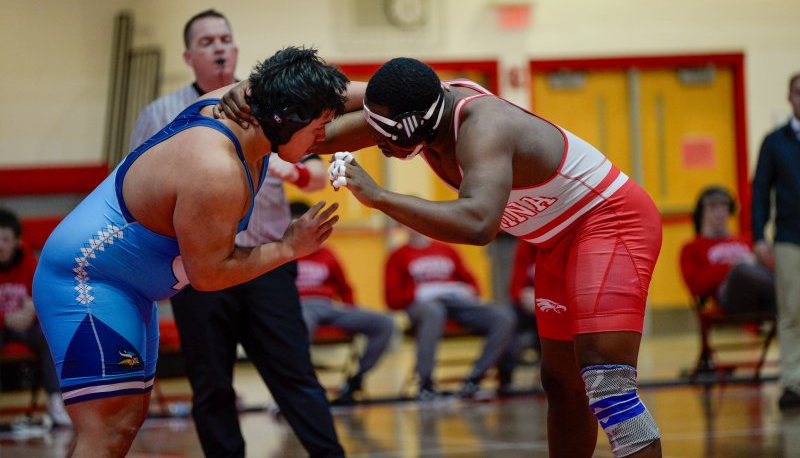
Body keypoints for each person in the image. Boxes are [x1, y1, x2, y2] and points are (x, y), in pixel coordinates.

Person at [218, 56, 665, 457]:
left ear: (416, 126)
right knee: (561, 382)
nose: (380, 144)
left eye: (387, 138)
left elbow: (478, 225)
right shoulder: (413, 108)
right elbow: (315, 134)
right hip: (554, 238)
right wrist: (255, 106)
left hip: (609, 221)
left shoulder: (484, 127)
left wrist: (379, 197)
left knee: (605, 379)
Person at [32, 46, 346, 458]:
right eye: (319, 127)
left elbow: (346, 100)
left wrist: (428, 98)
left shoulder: (246, 113)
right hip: (87, 279)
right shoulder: (217, 171)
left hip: (128, 285)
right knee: (108, 427)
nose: (324, 138)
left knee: (121, 423)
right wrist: (288, 247)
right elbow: (209, 276)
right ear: (286, 117)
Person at [130, 10, 342, 457]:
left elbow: (320, 172)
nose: (219, 47)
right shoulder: (160, 114)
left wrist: (295, 172)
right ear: (189, 56)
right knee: (211, 386)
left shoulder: (274, 101)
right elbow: (137, 186)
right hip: (199, 269)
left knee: (295, 375)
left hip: (267, 262)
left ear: (236, 49)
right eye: (207, 42)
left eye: (225, 38)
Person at [384, 225, 515, 400]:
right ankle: (425, 383)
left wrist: (466, 290)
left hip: (456, 302)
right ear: (403, 227)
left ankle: (475, 377)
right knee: (433, 312)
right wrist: (422, 291)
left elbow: (472, 283)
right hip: (423, 306)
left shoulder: (447, 249)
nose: (415, 226)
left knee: (503, 317)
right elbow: (391, 299)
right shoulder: (397, 256)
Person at [290, 200, 395, 406]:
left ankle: (356, 379)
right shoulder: (283, 253)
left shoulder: (327, 254)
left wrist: (351, 307)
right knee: (300, 326)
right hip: (300, 306)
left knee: (384, 323)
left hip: (328, 306)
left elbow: (345, 287)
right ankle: (301, 386)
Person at [752, 72, 800, 411]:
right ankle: (793, 382)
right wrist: (758, 235)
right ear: (789, 97)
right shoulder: (774, 142)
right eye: (799, 93)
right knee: (792, 312)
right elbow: (760, 191)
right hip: (789, 237)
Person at [0, 208, 71, 427]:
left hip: (27, 326)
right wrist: (4, 319)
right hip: (2, 326)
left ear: (17, 241)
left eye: (5, 239)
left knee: (51, 337)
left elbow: (47, 301)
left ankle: (55, 401)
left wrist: (33, 310)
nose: (0, 245)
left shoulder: (31, 263)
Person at [680, 186, 775, 316]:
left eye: (724, 206)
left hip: (761, 294)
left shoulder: (747, 240)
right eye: (713, 207)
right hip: (728, 297)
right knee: (742, 270)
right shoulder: (691, 247)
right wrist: (732, 266)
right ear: (702, 212)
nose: (719, 212)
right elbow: (696, 285)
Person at [496, 240, 541, 393]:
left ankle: (547, 375)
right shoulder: (526, 245)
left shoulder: (563, 244)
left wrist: (540, 299)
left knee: (547, 321)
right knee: (506, 319)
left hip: (552, 305)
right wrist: (523, 296)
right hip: (527, 305)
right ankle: (505, 378)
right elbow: (515, 287)